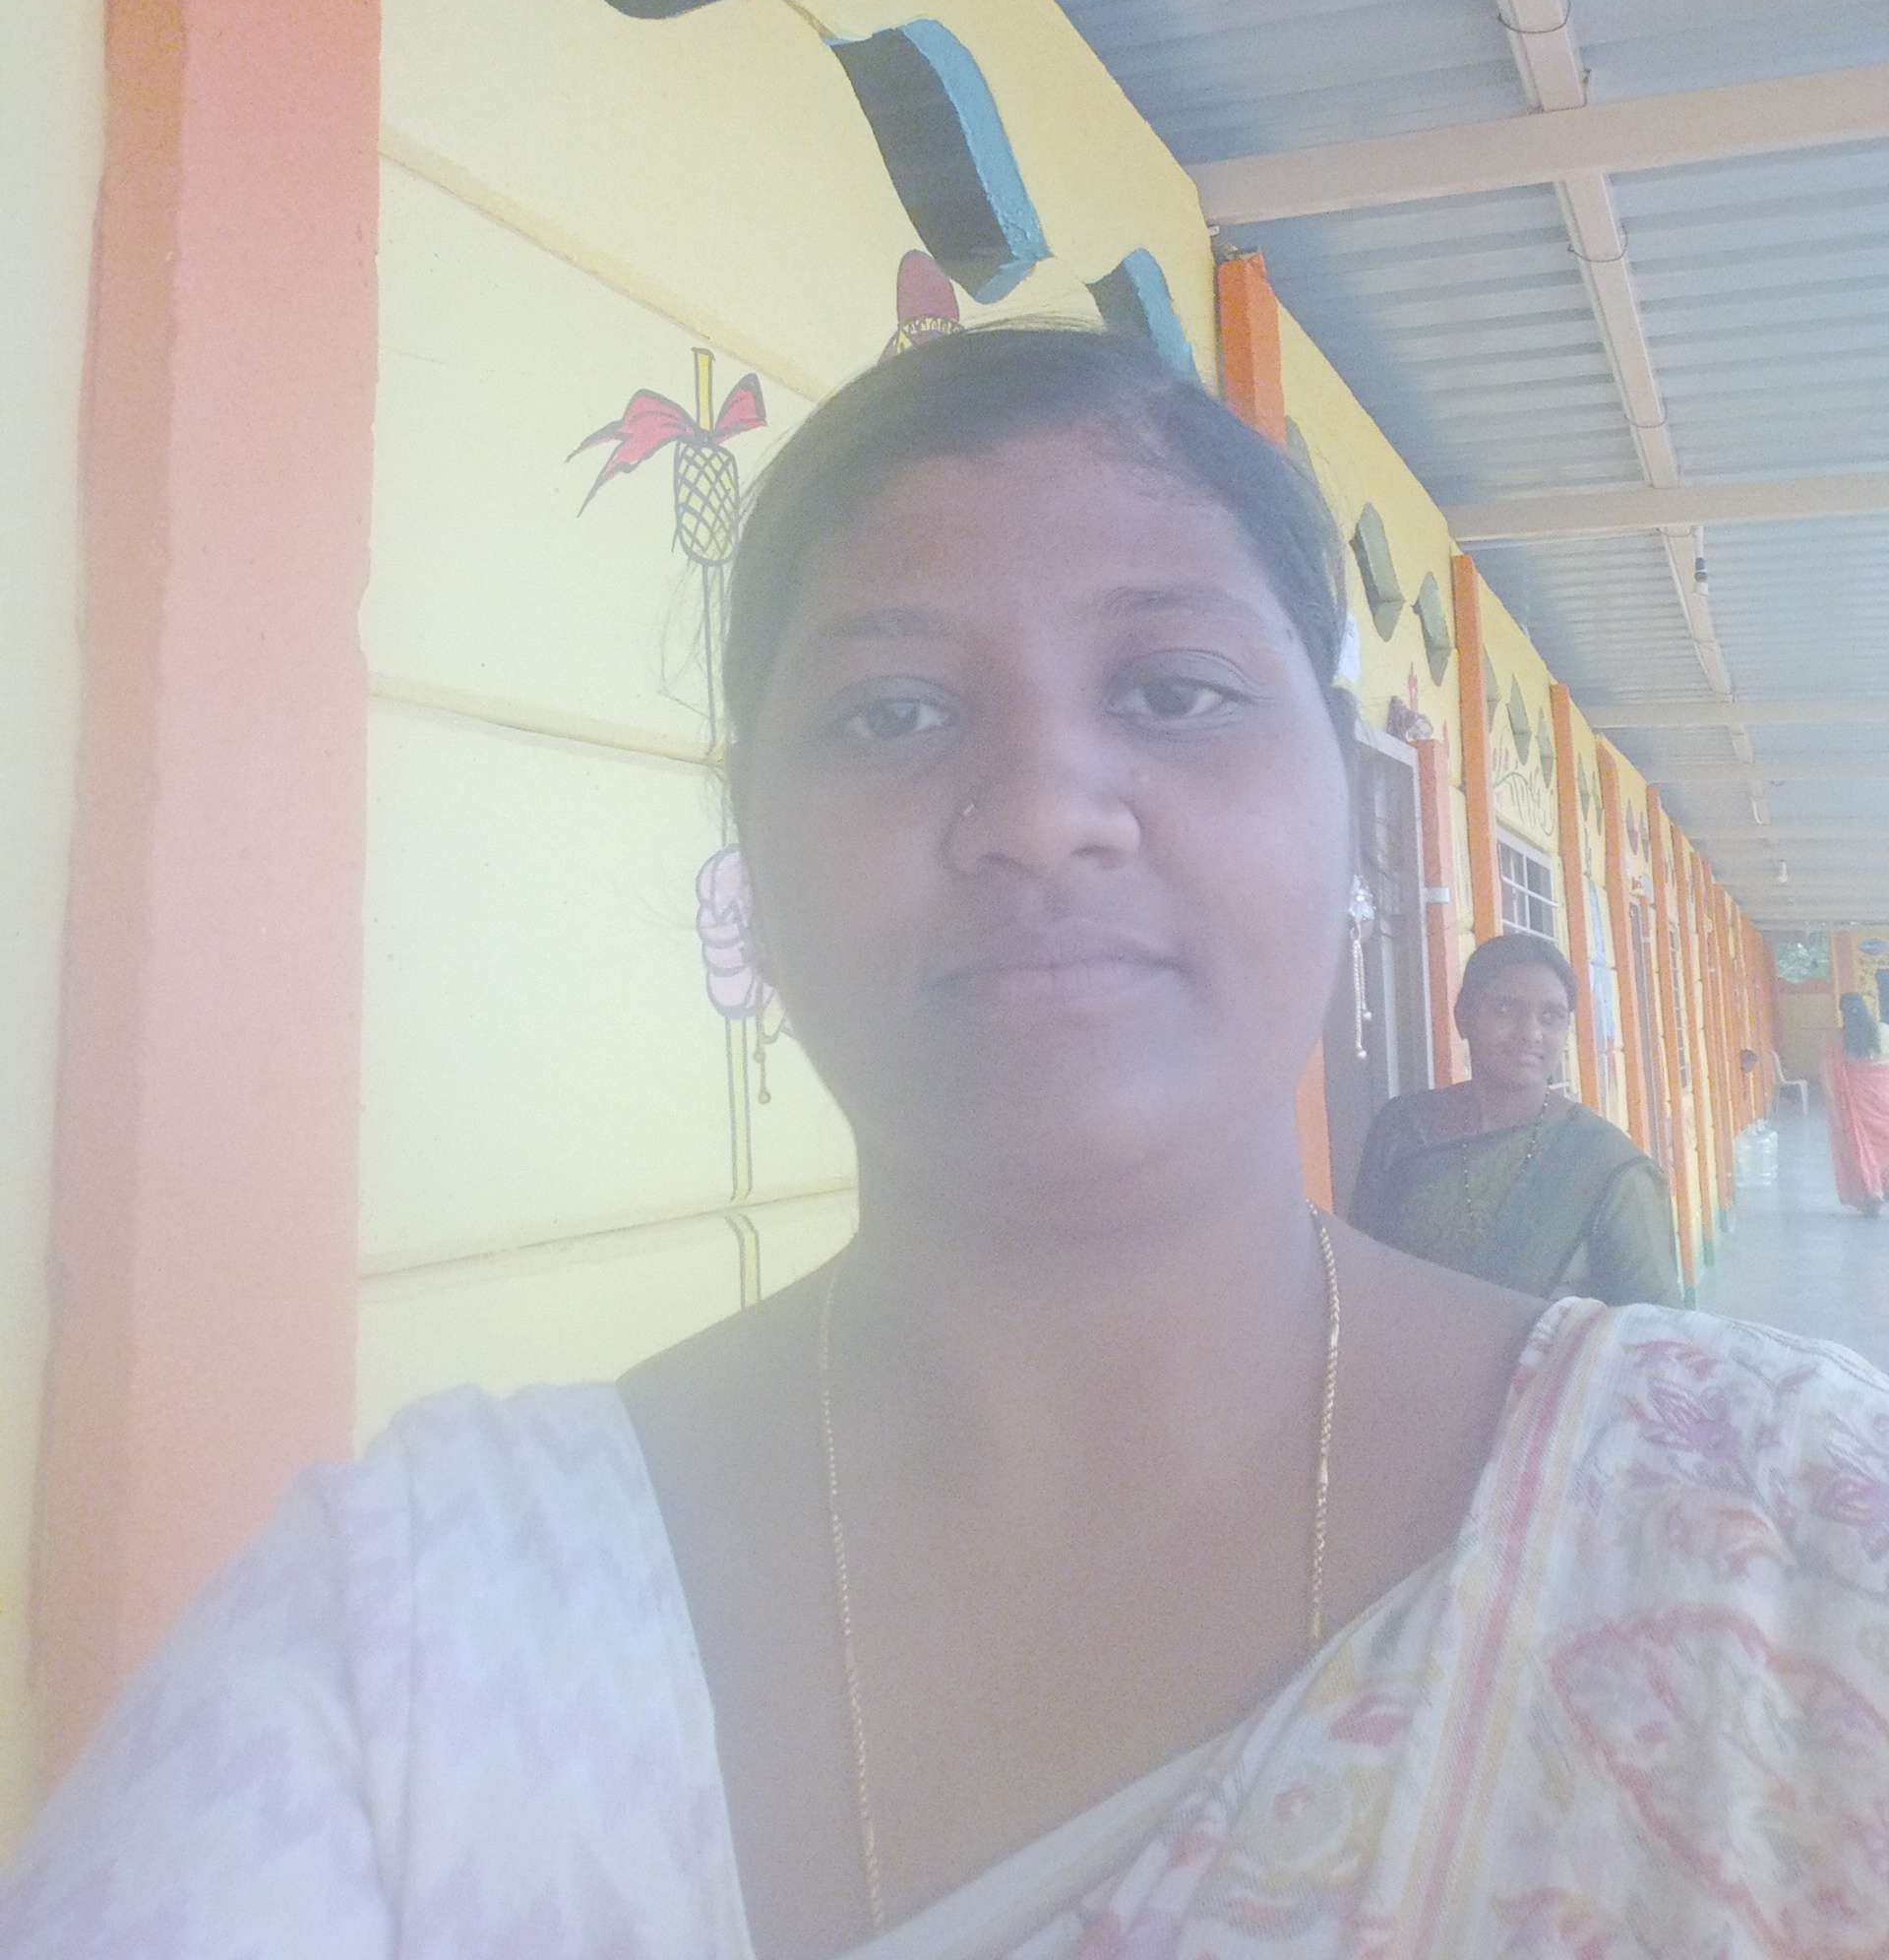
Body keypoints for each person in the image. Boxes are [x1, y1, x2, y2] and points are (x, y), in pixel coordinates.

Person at [6, 325, 1888, 1958]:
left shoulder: (1789, 1527)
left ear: (1338, 798)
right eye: (890, 711)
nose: (1044, 810)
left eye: (1172, 692)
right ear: (750, 852)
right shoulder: (419, 1638)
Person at [1349, 934, 1681, 1306]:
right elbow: (1356, 1276)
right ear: (1463, 1017)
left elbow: (1654, 1328)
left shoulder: (1607, 1166)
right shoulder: (1404, 1128)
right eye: (1505, 1009)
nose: (1530, 1034)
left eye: (1550, 1017)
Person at [1826, 991, 1889, 1217]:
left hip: (1857, 1102)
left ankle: (1872, 1192)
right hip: (1884, 1097)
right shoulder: (1883, 1030)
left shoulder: (1838, 1039)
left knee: (1863, 1148)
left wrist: (1834, 1108)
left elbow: (1827, 1075)